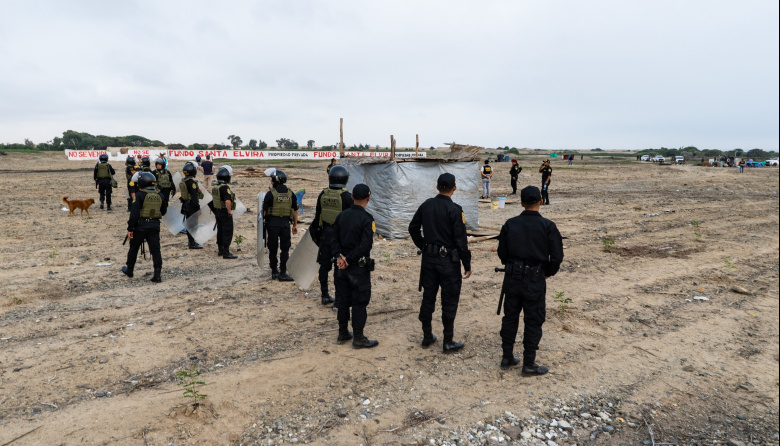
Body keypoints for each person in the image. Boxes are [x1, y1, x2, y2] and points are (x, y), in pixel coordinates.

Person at [496, 185, 563, 376]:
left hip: (512, 278)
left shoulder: (510, 224)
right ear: (541, 202)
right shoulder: (548, 226)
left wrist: (511, 265)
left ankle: (507, 356)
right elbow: (557, 256)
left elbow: (502, 252)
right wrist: (547, 272)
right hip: (534, 279)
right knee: (533, 320)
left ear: (522, 202)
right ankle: (529, 363)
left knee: (510, 317)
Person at [408, 173, 472, 352]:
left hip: (429, 260)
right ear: (454, 188)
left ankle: (427, 336)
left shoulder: (427, 205)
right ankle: (448, 341)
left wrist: (424, 245)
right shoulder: (455, 210)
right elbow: (461, 241)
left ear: (437, 187)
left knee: (429, 296)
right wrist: (467, 264)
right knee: (449, 300)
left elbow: (413, 228)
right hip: (448, 262)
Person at [332, 184, 379, 349]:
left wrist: (339, 257)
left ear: (352, 197)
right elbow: (366, 245)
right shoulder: (367, 219)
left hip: (341, 267)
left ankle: (342, 332)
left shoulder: (341, 216)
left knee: (343, 300)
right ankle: (358, 337)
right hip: (357, 268)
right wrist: (349, 259)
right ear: (368, 198)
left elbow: (333, 239)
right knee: (359, 302)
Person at [310, 165, 353, 305]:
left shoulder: (323, 194)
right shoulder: (346, 196)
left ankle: (324, 295)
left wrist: (318, 237)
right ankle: (338, 299)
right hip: (340, 236)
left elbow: (318, 218)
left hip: (325, 234)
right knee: (339, 267)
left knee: (324, 266)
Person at [121, 172, 168, 283]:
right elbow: (164, 211)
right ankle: (157, 274)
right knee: (156, 250)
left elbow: (134, 213)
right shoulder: (160, 195)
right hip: (154, 225)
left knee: (134, 248)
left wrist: (130, 228)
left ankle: (130, 270)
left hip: (140, 226)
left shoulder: (140, 195)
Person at [262, 170, 298, 280]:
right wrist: (295, 225)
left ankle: (274, 272)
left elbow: (264, 212)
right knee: (285, 249)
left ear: (275, 180)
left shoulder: (270, 194)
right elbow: (295, 211)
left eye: (271, 179)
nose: (270, 181)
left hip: (272, 224)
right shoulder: (291, 193)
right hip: (285, 224)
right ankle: (283, 273)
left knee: (273, 249)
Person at [211, 167, 238, 259]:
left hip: (218, 211)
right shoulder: (225, 187)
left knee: (220, 231)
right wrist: (229, 211)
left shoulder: (215, 187)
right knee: (227, 231)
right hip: (224, 212)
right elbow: (227, 201)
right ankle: (226, 252)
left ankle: (220, 250)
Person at [179, 162, 204, 249]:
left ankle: (191, 242)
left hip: (186, 205)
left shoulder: (184, 181)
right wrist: (198, 209)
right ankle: (192, 243)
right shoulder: (192, 183)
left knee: (189, 224)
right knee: (193, 225)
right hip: (192, 206)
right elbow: (194, 197)